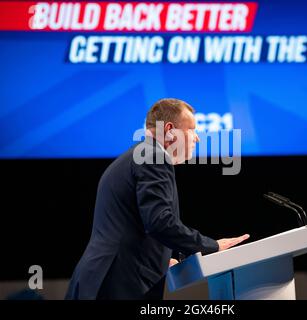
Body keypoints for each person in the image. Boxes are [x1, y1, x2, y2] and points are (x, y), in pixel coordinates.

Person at [65, 98, 249, 300]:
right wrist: (211, 245)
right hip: (116, 284)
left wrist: (161, 259)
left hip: (104, 279)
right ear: (170, 130)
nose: (197, 138)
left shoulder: (140, 155)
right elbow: (160, 222)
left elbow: (134, 224)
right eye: (192, 130)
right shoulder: (154, 157)